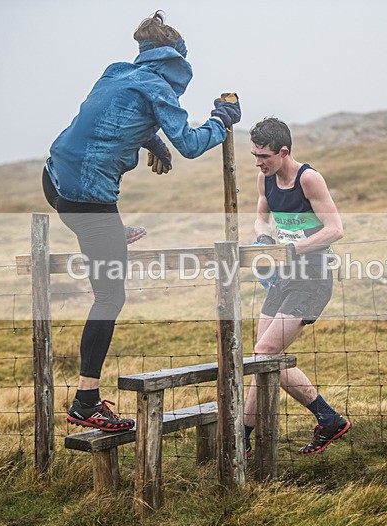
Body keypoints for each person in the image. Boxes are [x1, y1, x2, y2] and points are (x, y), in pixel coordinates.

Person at [42, 11, 241, 432]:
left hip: (54, 180)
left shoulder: (116, 72)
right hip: (88, 201)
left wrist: (153, 142)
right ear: (177, 62)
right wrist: (221, 121)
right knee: (110, 299)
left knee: (101, 232)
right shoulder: (158, 88)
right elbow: (189, 142)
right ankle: (86, 402)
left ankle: (114, 234)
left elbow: (108, 118)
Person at [244, 117, 349, 454]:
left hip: (313, 277)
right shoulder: (265, 179)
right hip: (283, 277)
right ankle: (243, 437)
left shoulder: (309, 179)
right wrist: (263, 237)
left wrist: (290, 250)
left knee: (264, 354)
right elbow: (261, 216)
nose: (259, 163)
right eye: (255, 155)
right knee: (262, 355)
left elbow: (335, 229)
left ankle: (325, 418)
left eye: (264, 156)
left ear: (284, 152)